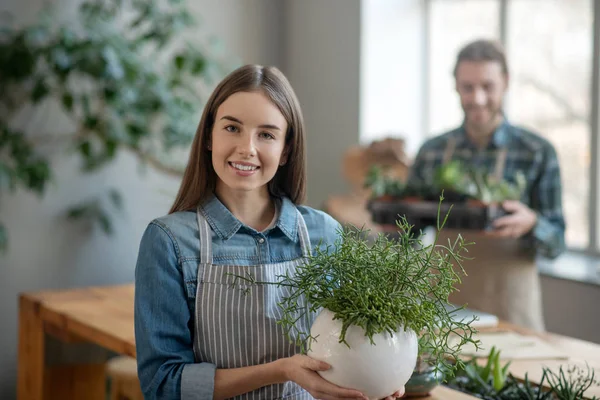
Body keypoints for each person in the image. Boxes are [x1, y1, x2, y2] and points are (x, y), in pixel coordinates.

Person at [134, 64, 405, 400]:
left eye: (266, 134)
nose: (247, 147)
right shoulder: (169, 241)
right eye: (232, 128)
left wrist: (381, 372)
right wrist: (279, 371)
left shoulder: (325, 234)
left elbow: (353, 343)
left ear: (286, 149)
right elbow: (163, 385)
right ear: (208, 136)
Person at [407, 39, 566, 331]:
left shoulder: (537, 152)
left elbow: (557, 243)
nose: (477, 98)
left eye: (487, 86)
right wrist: (391, 221)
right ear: (456, 86)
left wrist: (533, 224)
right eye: (468, 87)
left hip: (513, 308)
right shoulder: (432, 152)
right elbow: (408, 233)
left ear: (505, 82)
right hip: (444, 307)